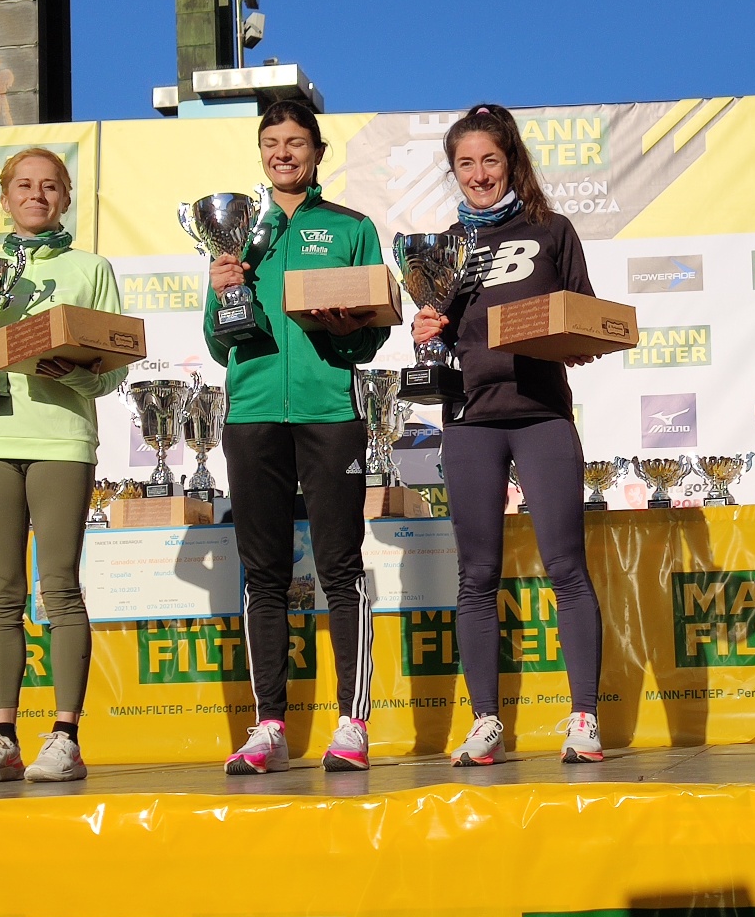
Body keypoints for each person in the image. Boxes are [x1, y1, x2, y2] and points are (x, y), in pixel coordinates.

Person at [409, 104, 607, 766]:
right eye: (465, 163)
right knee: (477, 576)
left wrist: (576, 341)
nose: (478, 174)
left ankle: (583, 717)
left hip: (542, 413)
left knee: (565, 566)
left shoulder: (552, 230)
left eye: (489, 160)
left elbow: (582, 312)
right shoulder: (443, 249)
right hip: (470, 419)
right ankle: (486, 720)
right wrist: (427, 330)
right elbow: (438, 324)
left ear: (511, 161)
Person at [209, 101, 390, 775]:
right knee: (264, 574)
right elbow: (214, 339)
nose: (283, 153)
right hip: (252, 413)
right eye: (271, 143)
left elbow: (375, 332)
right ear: (261, 153)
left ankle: (353, 721)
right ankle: (270, 727)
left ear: (318, 151)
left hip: (327, 415)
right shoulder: (235, 234)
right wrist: (221, 288)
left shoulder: (350, 227)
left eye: (295, 142)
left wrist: (347, 326)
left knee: (341, 567)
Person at [0, 147, 129, 783]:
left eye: (50, 186)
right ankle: (1, 737)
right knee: (1, 595)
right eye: (24, 185)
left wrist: (68, 371)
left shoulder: (90, 267)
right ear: (5, 196)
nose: (36, 195)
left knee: (60, 587)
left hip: (62, 441)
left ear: (66, 197)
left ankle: (65, 738)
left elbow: (114, 373)